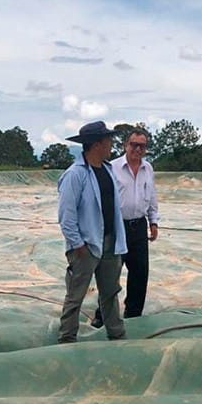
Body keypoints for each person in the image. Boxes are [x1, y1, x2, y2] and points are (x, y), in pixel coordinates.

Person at [56, 121, 127, 343]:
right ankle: (67, 338)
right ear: (97, 144)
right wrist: (78, 244)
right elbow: (66, 216)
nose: (111, 145)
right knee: (75, 295)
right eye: (108, 141)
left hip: (110, 243)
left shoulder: (107, 170)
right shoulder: (75, 175)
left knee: (110, 293)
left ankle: (116, 334)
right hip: (85, 246)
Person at [92, 128, 159, 325]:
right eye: (134, 145)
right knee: (110, 273)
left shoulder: (148, 169)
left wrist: (153, 221)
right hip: (117, 227)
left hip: (139, 226)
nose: (137, 149)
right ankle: (102, 316)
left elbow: (152, 197)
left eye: (142, 146)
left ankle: (133, 315)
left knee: (140, 273)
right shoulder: (112, 168)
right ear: (125, 145)